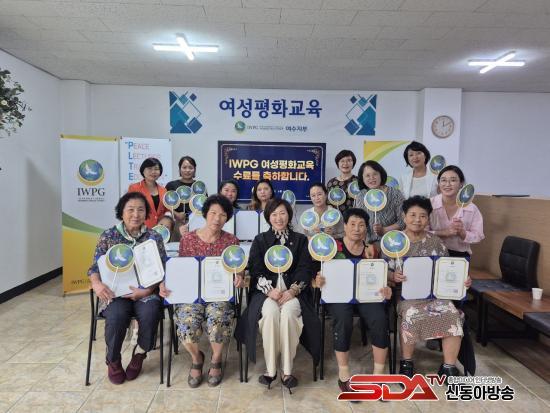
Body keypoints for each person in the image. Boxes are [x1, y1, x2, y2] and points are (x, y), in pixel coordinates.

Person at [159, 195, 244, 388]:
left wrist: (238, 276)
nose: (217, 218)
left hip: (218, 295)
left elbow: (237, 269)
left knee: (219, 318)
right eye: (213, 213)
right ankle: (197, 358)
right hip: (192, 295)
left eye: (222, 215)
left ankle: (216, 358)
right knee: (186, 324)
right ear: (205, 214)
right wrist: (166, 283)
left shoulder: (231, 241)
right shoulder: (188, 239)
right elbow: (180, 269)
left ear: (227, 218)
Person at [235, 199, 321, 392]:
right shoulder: (260, 240)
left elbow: (305, 269)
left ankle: (287, 371)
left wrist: (293, 290)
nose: (278, 218)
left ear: (289, 215)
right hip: (267, 294)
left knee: (289, 314)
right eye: (274, 214)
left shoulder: (300, 240)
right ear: (268, 217)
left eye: (282, 213)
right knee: (270, 314)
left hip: (294, 294)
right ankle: (271, 369)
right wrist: (268, 290)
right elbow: (255, 269)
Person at [386, 196, 471, 379]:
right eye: (412, 215)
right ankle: (407, 363)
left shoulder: (436, 242)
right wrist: (392, 276)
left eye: (423, 216)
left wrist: (462, 280)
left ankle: (448, 367)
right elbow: (383, 270)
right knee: (410, 315)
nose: (417, 220)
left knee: (453, 314)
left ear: (428, 219)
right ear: (404, 216)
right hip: (406, 296)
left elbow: (448, 269)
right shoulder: (394, 241)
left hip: (435, 295)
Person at [88, 192, 167, 385]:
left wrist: (146, 291)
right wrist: (97, 284)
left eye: (141, 210)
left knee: (151, 312)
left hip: (146, 292)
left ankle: (140, 353)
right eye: (130, 209)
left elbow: (162, 269)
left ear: (146, 213)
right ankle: (113, 360)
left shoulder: (153, 237)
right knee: (116, 316)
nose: (136, 214)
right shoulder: (109, 235)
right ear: (121, 212)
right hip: (116, 293)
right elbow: (94, 268)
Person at [314, 208, 391, 393]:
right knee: (343, 319)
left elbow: (380, 275)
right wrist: (317, 280)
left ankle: (378, 375)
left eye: (361, 225)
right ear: (345, 226)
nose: (357, 229)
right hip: (339, 296)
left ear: (366, 228)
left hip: (366, 296)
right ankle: (344, 374)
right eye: (353, 224)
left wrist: (386, 287)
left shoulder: (371, 249)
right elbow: (317, 273)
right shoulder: (332, 247)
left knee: (380, 318)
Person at [430, 165, 485, 258]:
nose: (447, 184)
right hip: (432, 252)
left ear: (461, 184)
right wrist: (444, 233)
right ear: (438, 183)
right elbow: (421, 232)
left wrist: (462, 233)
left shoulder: (471, 208)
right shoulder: (429, 204)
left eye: (453, 180)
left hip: (459, 255)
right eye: (443, 180)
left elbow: (478, 235)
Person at [353, 160, 405, 244]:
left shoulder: (395, 193)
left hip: (391, 242)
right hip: (368, 244)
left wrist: (384, 230)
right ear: (362, 178)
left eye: (375, 174)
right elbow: (357, 222)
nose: (371, 178)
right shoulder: (360, 196)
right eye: (367, 175)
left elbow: (403, 221)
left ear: (381, 174)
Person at [127, 158, 167, 228]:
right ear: (143, 171)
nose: (153, 172)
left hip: (160, 230)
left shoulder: (163, 190)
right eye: (149, 168)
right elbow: (130, 209)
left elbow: (166, 210)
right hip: (140, 228)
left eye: (156, 169)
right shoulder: (134, 188)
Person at [165, 156, 198, 239]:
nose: (187, 170)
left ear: (194, 170)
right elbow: (165, 204)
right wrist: (176, 214)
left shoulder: (199, 186)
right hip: (177, 223)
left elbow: (204, 205)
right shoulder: (171, 185)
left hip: (196, 223)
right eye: (184, 167)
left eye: (190, 168)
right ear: (180, 169)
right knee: (177, 245)